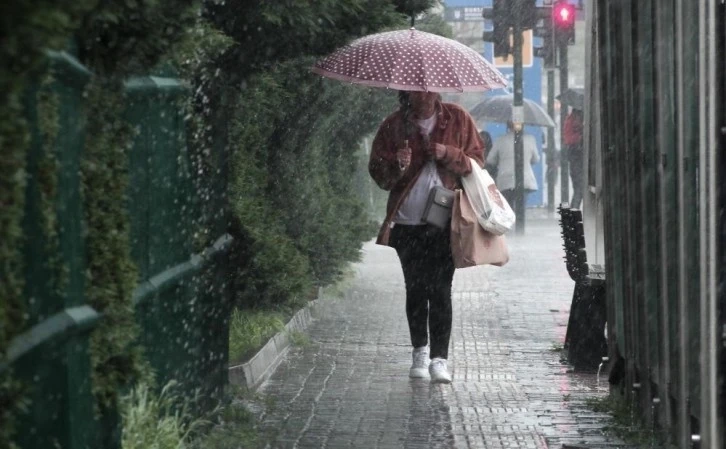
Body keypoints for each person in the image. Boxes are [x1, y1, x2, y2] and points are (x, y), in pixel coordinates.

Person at [368, 91, 484, 384]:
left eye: (429, 88)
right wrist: (397, 165)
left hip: (445, 221)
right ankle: (419, 351)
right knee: (416, 289)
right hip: (407, 223)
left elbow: (477, 163)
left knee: (441, 289)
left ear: (437, 90)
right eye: (417, 90)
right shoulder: (394, 125)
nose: (424, 95)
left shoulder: (457, 118)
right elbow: (380, 176)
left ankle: (439, 359)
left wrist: (449, 154)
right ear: (407, 93)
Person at [485, 121, 540, 207]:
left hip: (505, 179)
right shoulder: (530, 138)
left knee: (508, 207)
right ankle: (519, 219)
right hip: (524, 178)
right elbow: (536, 159)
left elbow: (490, 160)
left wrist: (501, 160)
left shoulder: (501, 140)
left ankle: (512, 218)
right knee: (521, 207)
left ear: (507, 127)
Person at [563, 107, 584, 208]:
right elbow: (569, 138)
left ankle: (574, 214)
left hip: (576, 157)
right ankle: (573, 214)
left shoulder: (572, 120)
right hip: (576, 156)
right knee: (579, 189)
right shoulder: (571, 121)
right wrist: (580, 136)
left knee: (579, 189)